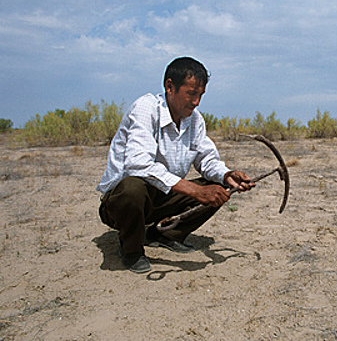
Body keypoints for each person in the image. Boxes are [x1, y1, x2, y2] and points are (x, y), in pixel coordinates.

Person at [96, 57, 255, 273]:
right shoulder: (146, 108)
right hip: (121, 204)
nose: (196, 101)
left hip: (159, 197)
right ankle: (131, 250)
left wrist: (228, 176)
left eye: (200, 95)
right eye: (191, 94)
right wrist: (195, 190)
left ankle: (162, 235)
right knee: (133, 186)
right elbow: (138, 165)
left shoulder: (195, 120)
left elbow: (207, 160)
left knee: (216, 186)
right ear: (170, 87)